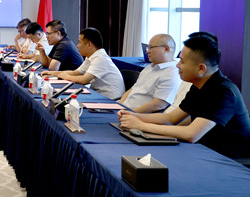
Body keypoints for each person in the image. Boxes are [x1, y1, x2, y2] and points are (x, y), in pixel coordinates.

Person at [119, 36, 250, 158]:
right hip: (204, 150)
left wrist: (141, 125)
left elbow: (191, 134)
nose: (177, 65)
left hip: (229, 159)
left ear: (201, 68)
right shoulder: (199, 85)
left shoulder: (223, 92)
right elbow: (171, 118)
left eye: (182, 61)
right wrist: (134, 116)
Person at [42, 27, 125, 100]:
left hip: (110, 100)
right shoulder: (91, 56)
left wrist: (63, 76)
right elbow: (75, 73)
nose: (77, 45)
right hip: (97, 95)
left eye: (79, 42)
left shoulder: (100, 58)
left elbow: (84, 80)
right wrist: (53, 73)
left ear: (89, 44)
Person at [119, 34, 181, 112]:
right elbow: (132, 90)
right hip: (124, 110)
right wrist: (119, 106)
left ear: (166, 49)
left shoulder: (171, 73)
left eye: (151, 47)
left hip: (136, 115)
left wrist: (128, 113)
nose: (147, 51)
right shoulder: (149, 67)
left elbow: (158, 105)